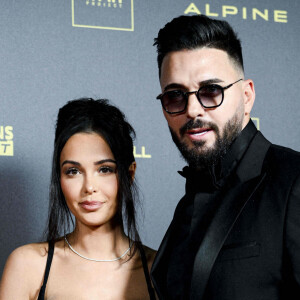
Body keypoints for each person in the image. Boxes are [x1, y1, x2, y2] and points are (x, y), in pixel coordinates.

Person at [151, 15, 300, 300]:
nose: (192, 109)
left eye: (211, 91)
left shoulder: (293, 181)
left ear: (246, 96)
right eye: (175, 96)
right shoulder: (187, 204)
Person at [0, 98, 156, 299]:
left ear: (129, 174)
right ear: (60, 177)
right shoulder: (28, 266)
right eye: (73, 171)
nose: (89, 187)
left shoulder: (159, 270)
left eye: (104, 169)